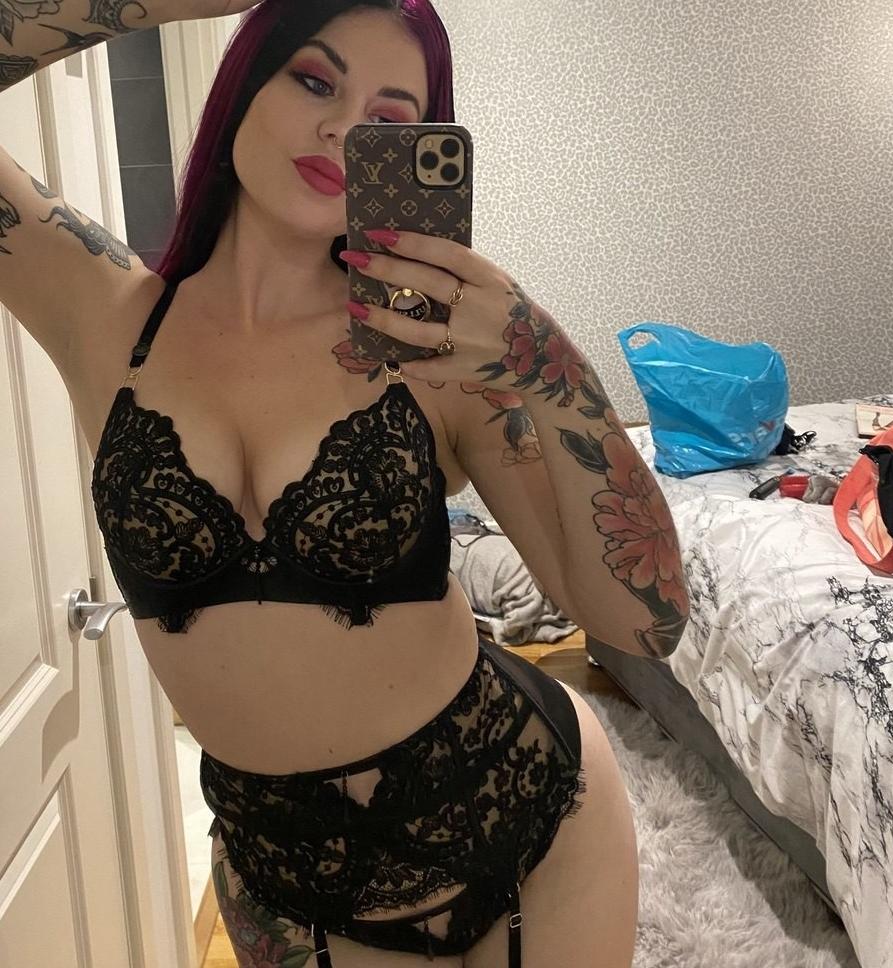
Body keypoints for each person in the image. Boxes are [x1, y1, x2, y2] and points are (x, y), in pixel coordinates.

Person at [0, 0, 689, 964]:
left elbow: (643, 624)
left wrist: (550, 367)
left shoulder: (430, 351)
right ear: (246, 80)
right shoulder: (108, 316)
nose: (340, 129)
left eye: (388, 121)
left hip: (522, 816)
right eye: (316, 80)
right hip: (282, 875)